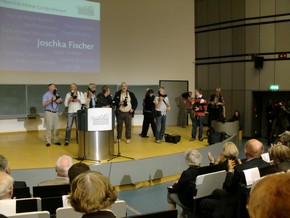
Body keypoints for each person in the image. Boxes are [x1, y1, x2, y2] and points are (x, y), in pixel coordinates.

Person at [199, 139, 270, 218]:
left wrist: (230, 171)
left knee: (204, 203)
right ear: (261, 152)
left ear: (245, 151)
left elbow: (228, 187)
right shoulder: (267, 165)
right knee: (216, 192)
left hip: (236, 204)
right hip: (254, 200)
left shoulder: (240, 169)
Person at [167, 149, 202, 218]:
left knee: (170, 194)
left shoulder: (187, 173)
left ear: (188, 161)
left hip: (189, 202)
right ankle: (182, 215)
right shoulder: (203, 170)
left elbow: (177, 189)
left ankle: (172, 215)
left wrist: (174, 185)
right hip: (199, 200)